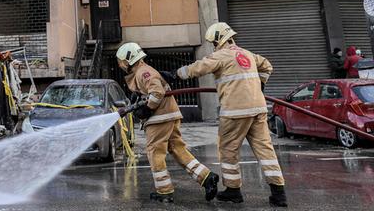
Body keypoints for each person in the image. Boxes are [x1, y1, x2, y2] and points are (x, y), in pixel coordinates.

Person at [160, 23, 287, 207]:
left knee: (228, 150)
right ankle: (279, 194)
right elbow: (267, 66)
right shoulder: (248, 54)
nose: (213, 45)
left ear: (219, 39)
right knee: (265, 150)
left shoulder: (219, 56)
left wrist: (174, 74)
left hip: (235, 112)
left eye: (213, 42)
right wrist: (260, 85)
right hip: (258, 109)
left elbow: (197, 68)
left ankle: (233, 191)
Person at [116, 42, 219, 204]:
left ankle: (164, 191)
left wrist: (147, 109)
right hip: (169, 115)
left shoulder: (143, 72)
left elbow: (157, 92)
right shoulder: (144, 71)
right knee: (177, 149)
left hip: (159, 119)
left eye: (121, 61)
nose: (120, 65)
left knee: (154, 152)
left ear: (129, 59)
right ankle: (206, 177)